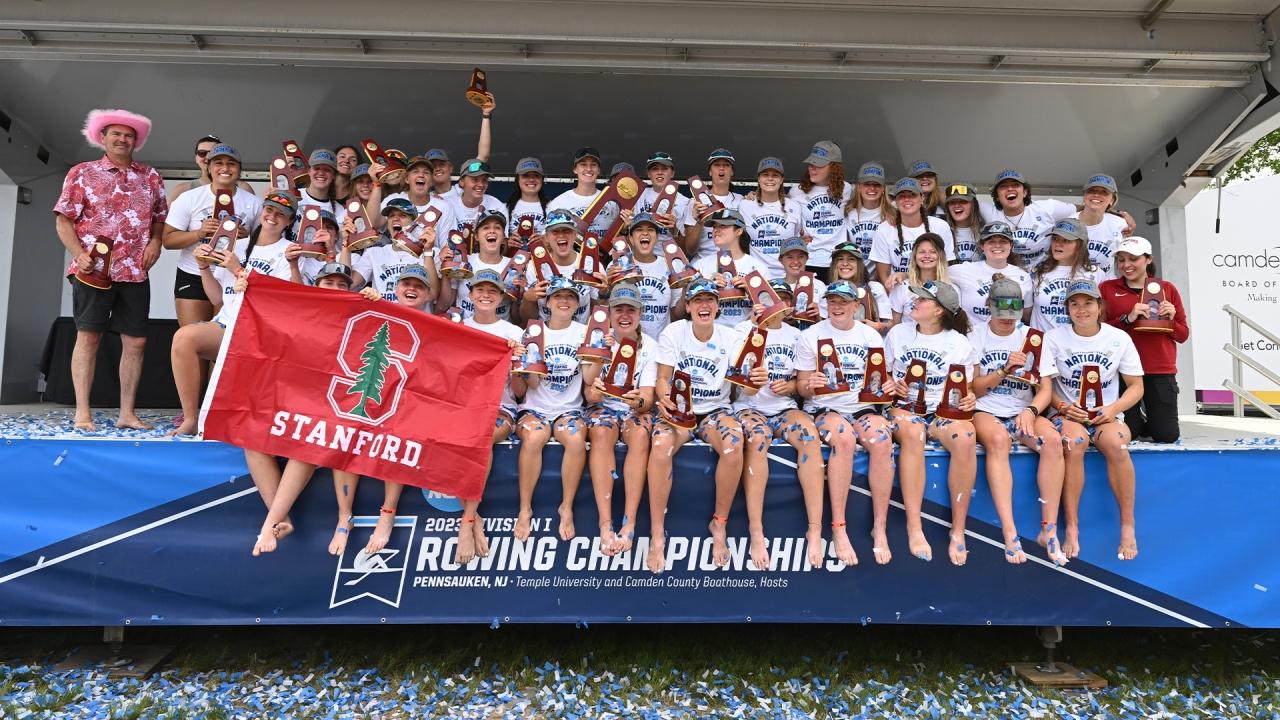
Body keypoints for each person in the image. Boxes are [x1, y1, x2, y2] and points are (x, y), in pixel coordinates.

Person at [54, 108, 168, 432]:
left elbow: (160, 218)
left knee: (136, 342)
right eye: (116, 133)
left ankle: (127, 413)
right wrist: (78, 253)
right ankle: (82, 413)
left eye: (129, 135)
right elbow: (63, 219)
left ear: (137, 141)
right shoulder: (81, 172)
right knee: (88, 337)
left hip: (135, 270)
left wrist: (156, 243)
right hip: (93, 271)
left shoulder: (151, 176)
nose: (123, 139)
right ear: (101, 138)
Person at [170, 190, 301, 437]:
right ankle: (190, 418)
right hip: (227, 324)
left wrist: (237, 268)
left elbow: (283, 302)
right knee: (183, 338)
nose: (272, 217)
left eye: (281, 214)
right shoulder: (236, 244)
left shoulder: (288, 251)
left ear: (290, 220)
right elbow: (217, 298)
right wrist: (203, 267)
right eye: (269, 209)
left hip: (260, 331)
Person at [345, 265, 448, 557]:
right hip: (376, 395)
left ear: (429, 293)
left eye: (419, 285)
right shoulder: (378, 310)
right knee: (342, 426)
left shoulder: (442, 325)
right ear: (396, 287)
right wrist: (361, 300)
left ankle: (387, 511)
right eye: (406, 283)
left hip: (414, 403)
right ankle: (343, 517)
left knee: (401, 431)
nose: (411, 289)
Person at [794, 280, 897, 565]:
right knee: (843, 438)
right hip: (826, 407)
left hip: (862, 407)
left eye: (843, 302)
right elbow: (801, 387)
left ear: (856, 305)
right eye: (832, 301)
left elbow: (880, 381)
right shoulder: (811, 335)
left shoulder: (870, 336)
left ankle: (880, 526)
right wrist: (809, 384)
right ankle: (839, 527)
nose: (836, 307)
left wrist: (889, 387)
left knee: (882, 439)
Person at [967, 274, 1068, 566]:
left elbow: (1045, 389)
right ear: (989, 307)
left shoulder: (1034, 337)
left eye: (1012, 315)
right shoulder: (976, 335)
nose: (1007, 321)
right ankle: (1010, 532)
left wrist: (1032, 411)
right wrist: (1003, 370)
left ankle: (1048, 530)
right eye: (1001, 315)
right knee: (998, 441)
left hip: (1023, 409)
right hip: (987, 408)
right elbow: (973, 388)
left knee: (1052, 441)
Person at [647, 278, 745, 573]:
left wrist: (756, 381)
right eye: (698, 301)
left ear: (718, 306)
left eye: (710, 300)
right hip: (681, 411)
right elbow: (663, 378)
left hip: (715, 410)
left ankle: (720, 523)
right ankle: (656, 534)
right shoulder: (674, 332)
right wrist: (665, 397)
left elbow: (745, 384)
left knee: (734, 443)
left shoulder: (732, 337)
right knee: (660, 445)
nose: (705, 305)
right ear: (687, 307)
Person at [1044, 279, 1143, 560]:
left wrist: (1113, 409)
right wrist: (1063, 406)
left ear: (1099, 306)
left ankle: (1127, 525)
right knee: (1074, 443)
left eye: (1088, 303)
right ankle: (1072, 526)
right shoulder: (1053, 338)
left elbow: (1136, 386)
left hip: (1106, 413)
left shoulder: (1118, 338)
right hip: (1069, 413)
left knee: (1117, 445)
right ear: (1067, 309)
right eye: (1074, 304)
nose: (1081, 309)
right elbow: (1044, 387)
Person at [883, 280, 978, 565]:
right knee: (913, 433)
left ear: (938, 310)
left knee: (966, 437)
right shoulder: (898, 333)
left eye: (922, 299)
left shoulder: (958, 342)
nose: (914, 302)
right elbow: (882, 375)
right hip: (904, 409)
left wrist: (969, 400)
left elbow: (966, 388)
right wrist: (891, 385)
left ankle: (958, 530)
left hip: (941, 411)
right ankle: (915, 526)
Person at [735, 280, 825, 569]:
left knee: (811, 438)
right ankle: (756, 529)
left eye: (784, 299)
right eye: (774, 298)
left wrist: (791, 386)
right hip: (749, 407)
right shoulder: (742, 330)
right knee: (758, 440)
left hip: (783, 407)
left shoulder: (798, 335)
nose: (778, 305)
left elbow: (802, 382)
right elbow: (732, 382)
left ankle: (815, 527)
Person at [514, 276, 595, 541]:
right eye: (558, 296)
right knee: (534, 437)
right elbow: (532, 385)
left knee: (575, 439)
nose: (564, 301)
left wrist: (598, 352)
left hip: (569, 409)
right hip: (535, 406)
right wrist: (526, 365)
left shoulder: (585, 333)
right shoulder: (533, 331)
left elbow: (590, 380)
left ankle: (566, 506)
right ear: (547, 302)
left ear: (577, 303)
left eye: (570, 296)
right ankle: (524, 508)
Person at [583, 283, 657, 555]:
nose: (624, 315)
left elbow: (648, 399)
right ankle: (605, 523)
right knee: (601, 432)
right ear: (610, 313)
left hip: (633, 411)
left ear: (640, 314)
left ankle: (630, 522)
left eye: (631, 310)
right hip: (604, 408)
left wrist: (636, 401)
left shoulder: (651, 346)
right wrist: (601, 360)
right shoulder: (596, 338)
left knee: (639, 433)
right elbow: (589, 391)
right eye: (618, 310)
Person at [163, 144, 263, 328]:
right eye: (218, 163)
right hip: (193, 273)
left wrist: (247, 236)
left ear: (240, 169)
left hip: (233, 277)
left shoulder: (253, 202)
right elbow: (168, 240)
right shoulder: (189, 198)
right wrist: (199, 233)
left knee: (221, 347)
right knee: (191, 340)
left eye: (231, 164)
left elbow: (263, 245)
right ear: (208, 167)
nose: (225, 168)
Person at [1101, 236, 1189, 443]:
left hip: (1159, 368)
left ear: (1148, 260)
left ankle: (1149, 420)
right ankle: (1136, 420)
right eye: (1121, 260)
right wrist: (1127, 318)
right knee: (1129, 432)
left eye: (1133, 259)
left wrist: (1171, 320)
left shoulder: (1168, 288)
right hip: (1122, 370)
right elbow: (1099, 331)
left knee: (1166, 435)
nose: (1126, 265)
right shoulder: (1107, 288)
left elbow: (1183, 334)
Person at [350, 198, 441, 310]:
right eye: (391, 216)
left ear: (414, 224)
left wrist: (427, 250)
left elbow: (432, 294)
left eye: (402, 216)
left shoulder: (430, 253)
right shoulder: (374, 253)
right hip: (384, 319)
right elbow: (350, 283)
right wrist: (346, 244)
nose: (395, 219)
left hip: (415, 322)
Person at [978, 169, 1077, 270]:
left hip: (1043, 273)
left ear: (1025, 192)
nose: (1010, 188)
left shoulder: (1047, 208)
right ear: (997, 196)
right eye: (1003, 186)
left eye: (1016, 185)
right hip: (1009, 274)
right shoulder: (988, 212)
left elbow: (1080, 209)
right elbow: (966, 205)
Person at [869, 178, 955, 290]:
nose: (907, 199)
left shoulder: (940, 226)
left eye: (912, 195)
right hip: (899, 291)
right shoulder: (884, 229)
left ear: (922, 198)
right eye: (902, 196)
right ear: (896, 201)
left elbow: (945, 267)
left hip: (934, 289)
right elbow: (884, 275)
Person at [608, 212, 682, 340]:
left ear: (657, 237)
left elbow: (677, 313)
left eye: (650, 230)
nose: (645, 233)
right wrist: (607, 288)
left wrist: (686, 287)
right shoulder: (616, 266)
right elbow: (607, 310)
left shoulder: (670, 265)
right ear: (630, 238)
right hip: (623, 343)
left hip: (660, 346)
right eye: (639, 230)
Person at [521, 209, 600, 324]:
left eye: (566, 230)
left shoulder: (590, 263)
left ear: (575, 235)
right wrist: (528, 299)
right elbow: (527, 320)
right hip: (547, 334)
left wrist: (603, 293)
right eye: (555, 232)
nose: (561, 235)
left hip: (580, 335)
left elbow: (597, 312)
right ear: (546, 237)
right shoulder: (535, 266)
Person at [1030, 218, 1107, 332]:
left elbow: (1101, 313)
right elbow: (1026, 310)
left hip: (1079, 343)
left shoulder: (1096, 273)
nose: (1058, 244)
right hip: (1043, 343)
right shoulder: (1038, 272)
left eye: (1066, 240)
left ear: (1080, 244)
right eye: (1055, 238)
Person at [692, 208, 766, 327]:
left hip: (746, 334)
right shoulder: (701, 265)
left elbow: (770, 310)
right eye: (715, 226)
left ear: (739, 231)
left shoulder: (758, 267)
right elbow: (686, 309)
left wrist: (751, 291)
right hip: (712, 334)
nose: (716, 230)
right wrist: (708, 289)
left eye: (723, 226)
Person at [949, 221, 1033, 323]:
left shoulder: (1023, 276)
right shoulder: (962, 270)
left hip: (1008, 335)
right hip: (975, 336)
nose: (997, 245)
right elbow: (936, 273)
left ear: (1011, 245)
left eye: (1003, 241)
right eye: (991, 241)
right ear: (982, 246)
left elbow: (1026, 316)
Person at [787, 140, 852, 272]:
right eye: (811, 163)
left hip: (837, 262)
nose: (812, 168)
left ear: (834, 168)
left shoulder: (847, 189)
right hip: (808, 260)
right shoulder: (796, 191)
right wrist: (797, 238)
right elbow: (779, 213)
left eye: (819, 165)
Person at [438, 209, 512, 321]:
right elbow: (444, 305)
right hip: (465, 330)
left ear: (503, 237)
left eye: (497, 227)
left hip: (498, 334)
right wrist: (446, 270)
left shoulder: (513, 266)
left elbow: (518, 315)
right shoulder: (463, 262)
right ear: (476, 236)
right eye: (486, 227)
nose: (492, 231)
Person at [738, 156, 802, 279]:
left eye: (775, 175)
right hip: (756, 276)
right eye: (765, 174)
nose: (770, 179)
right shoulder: (745, 205)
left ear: (782, 179)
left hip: (786, 276)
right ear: (758, 178)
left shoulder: (794, 206)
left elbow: (796, 240)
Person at [682, 148, 744, 260]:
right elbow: (690, 249)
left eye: (726, 165)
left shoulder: (742, 201)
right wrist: (699, 222)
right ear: (710, 171)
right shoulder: (695, 201)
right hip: (703, 263)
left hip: (732, 264)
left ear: (732, 171)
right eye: (716, 165)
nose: (721, 168)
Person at [547, 147, 616, 239]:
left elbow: (617, 236)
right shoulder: (558, 204)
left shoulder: (610, 202)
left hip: (603, 253)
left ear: (599, 170)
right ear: (575, 169)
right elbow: (550, 240)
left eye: (593, 165)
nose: (588, 169)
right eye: (583, 164)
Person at [887, 233, 950, 330]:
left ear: (941, 256)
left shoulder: (950, 289)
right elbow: (894, 326)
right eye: (922, 252)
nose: (927, 256)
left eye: (933, 251)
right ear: (915, 256)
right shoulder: (902, 287)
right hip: (907, 342)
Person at [167, 134, 254, 202]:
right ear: (196, 158)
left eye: (213, 153)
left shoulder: (243, 188)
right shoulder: (182, 190)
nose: (207, 157)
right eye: (202, 153)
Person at [827, 241, 891, 333]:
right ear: (834, 265)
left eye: (851, 259)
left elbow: (890, 325)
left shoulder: (875, 288)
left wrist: (877, 326)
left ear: (859, 264)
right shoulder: (827, 291)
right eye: (840, 259)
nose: (845, 263)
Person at [1076, 174, 1130, 275]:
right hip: (1073, 287)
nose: (1096, 195)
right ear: (1084, 196)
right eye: (1091, 190)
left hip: (1105, 287)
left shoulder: (1120, 224)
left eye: (1104, 192)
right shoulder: (1068, 221)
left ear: (1112, 200)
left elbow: (1126, 258)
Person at [636, 151, 691, 250]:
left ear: (672, 173)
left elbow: (686, 248)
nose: (659, 172)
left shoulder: (685, 202)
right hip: (641, 256)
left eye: (664, 169)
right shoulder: (637, 196)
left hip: (670, 256)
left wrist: (674, 230)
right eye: (654, 169)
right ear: (648, 174)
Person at [843, 161, 892, 267]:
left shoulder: (892, 214)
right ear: (859, 187)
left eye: (876, 184)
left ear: (883, 188)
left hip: (884, 277)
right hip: (855, 275)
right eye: (867, 184)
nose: (872, 188)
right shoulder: (848, 213)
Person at [444, 159, 507, 237]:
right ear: (461, 181)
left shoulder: (497, 207)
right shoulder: (446, 205)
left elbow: (502, 242)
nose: (480, 184)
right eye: (475, 179)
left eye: (484, 180)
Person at [505, 157, 549, 240]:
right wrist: (508, 244)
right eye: (526, 175)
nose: (531, 179)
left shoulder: (552, 207)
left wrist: (545, 241)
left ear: (542, 179)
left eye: (536, 175)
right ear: (518, 179)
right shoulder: (505, 208)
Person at [942, 183, 982, 263]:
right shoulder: (942, 231)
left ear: (973, 205)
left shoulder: (985, 230)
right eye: (952, 202)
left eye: (963, 201)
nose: (957, 205)